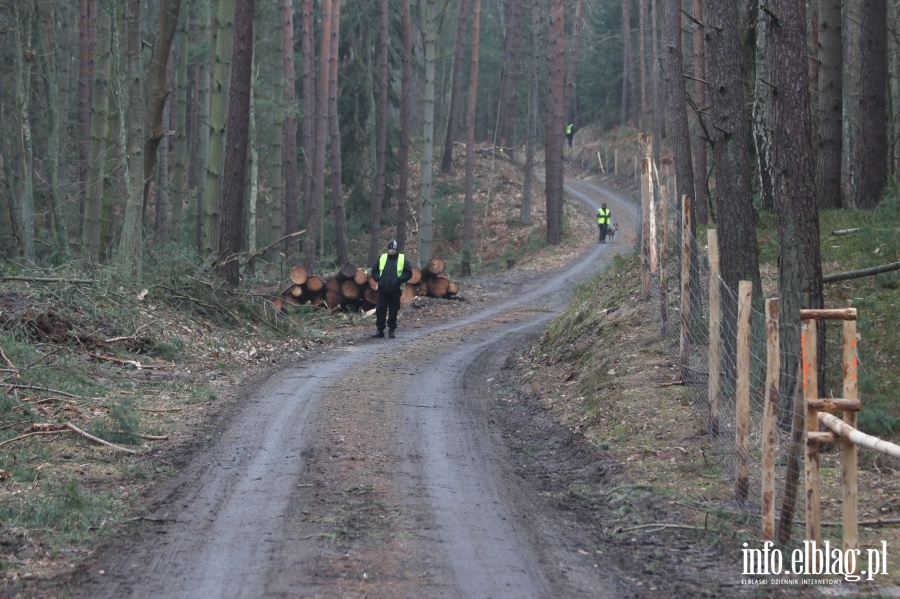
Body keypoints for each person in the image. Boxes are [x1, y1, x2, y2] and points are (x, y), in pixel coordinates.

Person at [371, 240, 413, 338]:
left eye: (393, 249)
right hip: (383, 289)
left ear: (396, 250)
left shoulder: (402, 259)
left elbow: (408, 273)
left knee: (394, 310)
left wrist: (399, 280)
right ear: (388, 249)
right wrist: (378, 279)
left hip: (395, 289)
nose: (392, 251)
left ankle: (391, 330)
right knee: (380, 310)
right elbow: (374, 270)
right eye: (390, 249)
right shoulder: (382, 258)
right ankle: (380, 330)